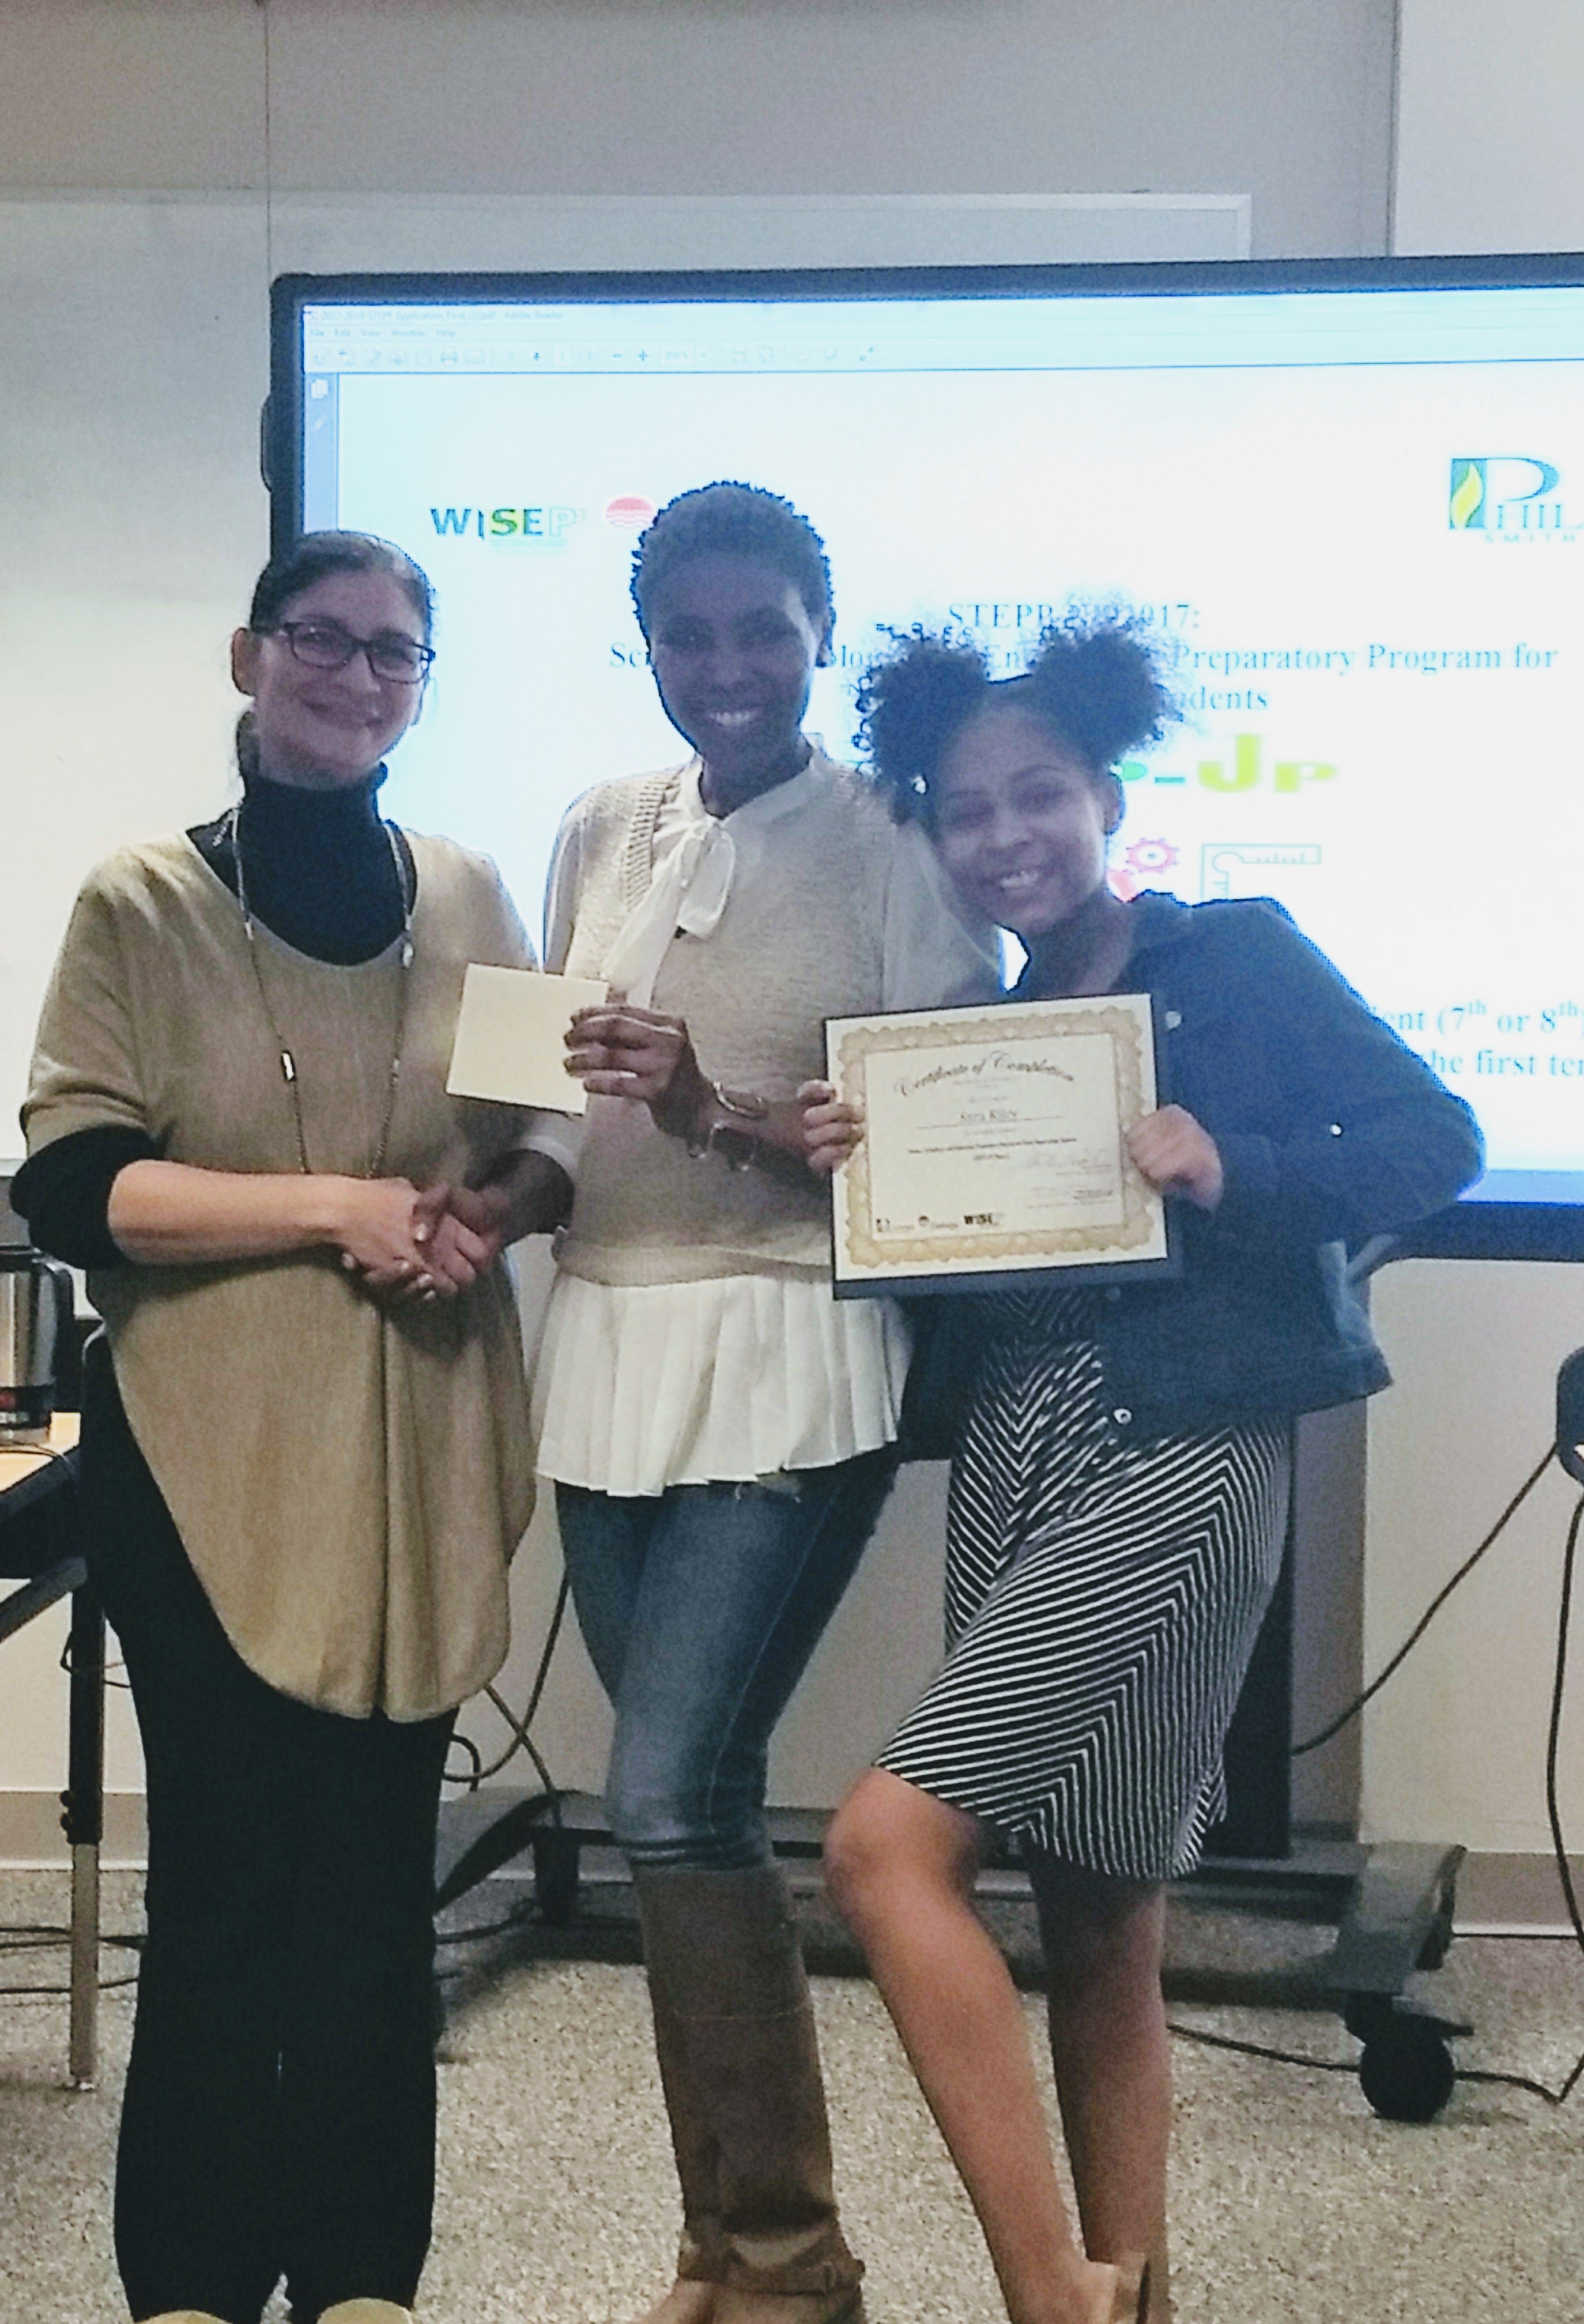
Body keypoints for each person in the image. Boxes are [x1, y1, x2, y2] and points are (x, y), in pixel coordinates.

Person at [804, 620, 1484, 2324]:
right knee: (1100, 1909)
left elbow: (1437, 1139)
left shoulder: (1231, 953)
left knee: (884, 1850)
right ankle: (1137, 2298)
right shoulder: (969, 1032)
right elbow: (955, 1262)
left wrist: (1232, 1163)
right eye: (966, 810)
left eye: (1038, 794)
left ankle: (1056, 2297)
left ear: (1107, 797)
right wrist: (861, 1169)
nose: (1006, 836)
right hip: (1015, 1447)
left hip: (1180, 1449)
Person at [472, 481, 1000, 2324]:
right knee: (670, 1814)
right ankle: (730, 2253)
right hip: (608, 1346)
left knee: (672, 1791)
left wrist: (718, 1112)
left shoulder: (898, 841)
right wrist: (496, 1205)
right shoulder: (596, 825)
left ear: (821, 631)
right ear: (643, 645)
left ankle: (785, 2260)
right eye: (686, 634)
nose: (727, 666)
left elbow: (943, 1151)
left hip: (787, 1351)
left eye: (763, 628)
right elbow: (556, 1102)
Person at [14, 532, 543, 2324]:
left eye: (396, 652)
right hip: (201, 1458)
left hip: (416, 1452)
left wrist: (492, 1213)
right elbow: (76, 1187)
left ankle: (364, 2276)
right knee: (231, 1884)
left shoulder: (468, 891)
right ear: (251, 659)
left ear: (421, 686)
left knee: (378, 1891)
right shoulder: (142, 902)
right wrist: (334, 1209)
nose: (357, 676)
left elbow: (537, 1145)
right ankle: (191, 2280)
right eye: (322, 639)